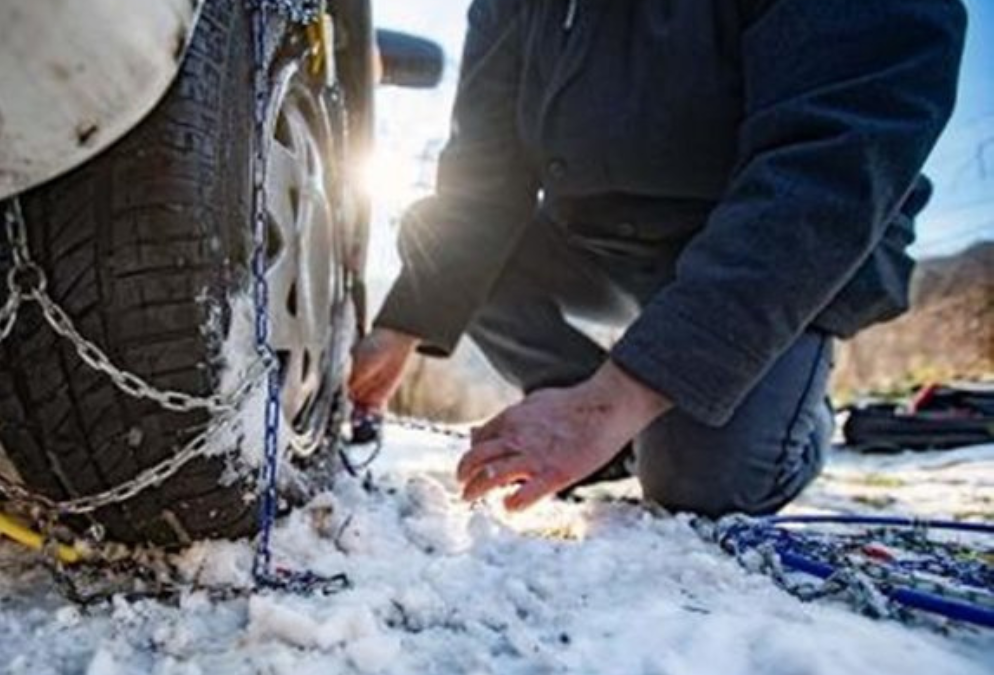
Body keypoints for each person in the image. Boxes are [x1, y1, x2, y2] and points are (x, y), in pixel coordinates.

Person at [348, 0, 966, 515]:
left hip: (778, 247)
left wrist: (615, 399)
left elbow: (829, 169)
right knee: (439, 227)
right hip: (602, 240)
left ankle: (784, 405)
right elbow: (484, 172)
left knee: (702, 485)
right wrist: (404, 324)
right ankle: (599, 427)